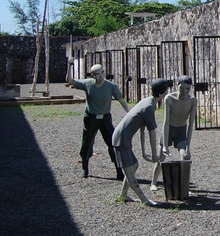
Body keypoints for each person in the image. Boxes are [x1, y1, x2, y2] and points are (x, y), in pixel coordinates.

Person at [66, 59, 129, 179]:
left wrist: (129, 113)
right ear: (93, 75)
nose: (100, 76)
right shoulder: (87, 84)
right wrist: (69, 66)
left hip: (105, 119)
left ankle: (119, 170)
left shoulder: (111, 86)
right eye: (97, 74)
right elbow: (70, 81)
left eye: (102, 72)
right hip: (91, 118)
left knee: (113, 143)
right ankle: (85, 168)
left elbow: (121, 101)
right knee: (87, 143)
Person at [112, 78, 170, 206]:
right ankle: (144, 200)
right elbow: (151, 132)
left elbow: (142, 128)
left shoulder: (148, 102)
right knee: (129, 171)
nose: (167, 93)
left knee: (134, 166)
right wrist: (154, 154)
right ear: (161, 93)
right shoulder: (149, 106)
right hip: (120, 139)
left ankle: (123, 195)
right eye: (166, 91)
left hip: (124, 138)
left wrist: (144, 152)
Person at [150, 75, 198, 191]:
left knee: (185, 156)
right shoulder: (169, 99)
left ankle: (184, 186)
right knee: (161, 157)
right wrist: (165, 145)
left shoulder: (192, 101)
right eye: (182, 88)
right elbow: (165, 122)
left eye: (187, 89)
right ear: (178, 86)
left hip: (181, 131)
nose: (184, 91)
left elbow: (191, 124)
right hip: (169, 130)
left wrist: (188, 146)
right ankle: (153, 183)